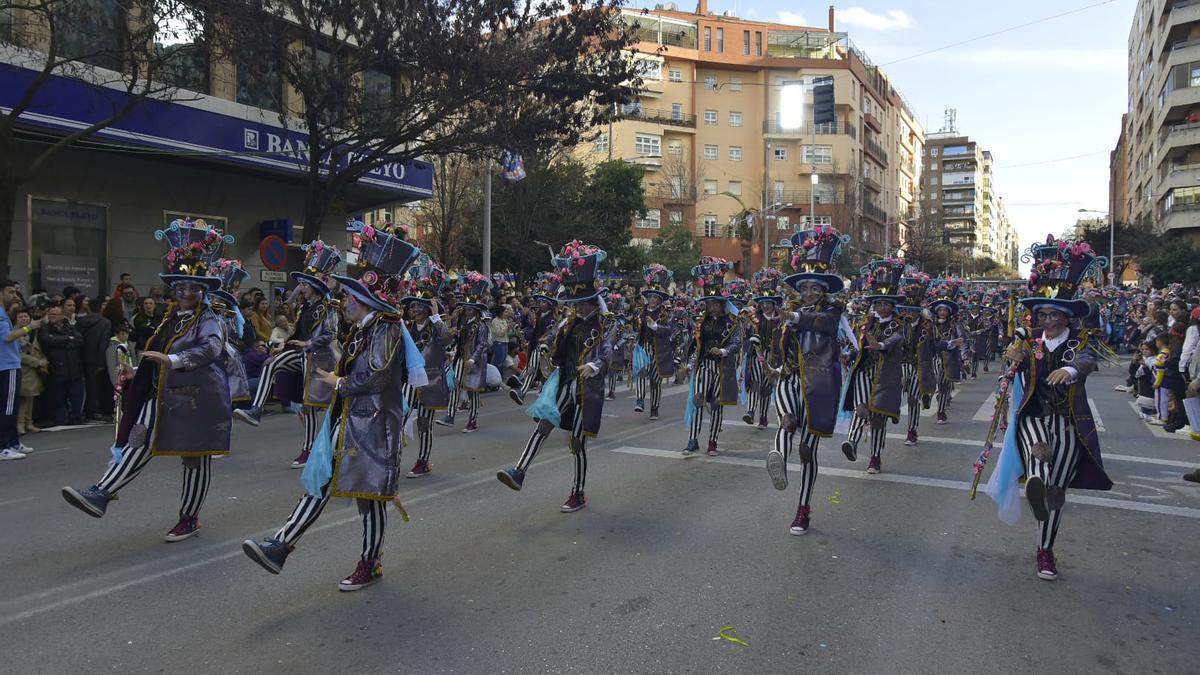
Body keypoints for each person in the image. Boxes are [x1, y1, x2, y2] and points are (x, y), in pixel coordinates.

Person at [241, 222, 426, 590]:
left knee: (369, 499)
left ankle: (369, 562)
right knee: (322, 482)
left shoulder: (386, 327)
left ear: (366, 299)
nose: (345, 301)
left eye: (351, 296)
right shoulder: (366, 327)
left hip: (373, 425)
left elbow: (377, 375)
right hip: (353, 420)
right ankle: (281, 544)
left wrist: (337, 382)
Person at [61, 219, 234, 542]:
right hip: (163, 394)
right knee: (139, 440)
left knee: (195, 459)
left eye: (192, 287)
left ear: (203, 290)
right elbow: (157, 353)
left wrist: (172, 360)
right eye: (180, 286)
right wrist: (138, 373)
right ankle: (101, 492)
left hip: (199, 399)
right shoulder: (170, 318)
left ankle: (189, 517)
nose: (185, 293)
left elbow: (211, 350)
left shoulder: (210, 319)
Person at [1003, 235, 1112, 580]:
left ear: (1066, 317)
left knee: (1055, 491)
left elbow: (1087, 360)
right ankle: (1034, 478)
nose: (1047, 319)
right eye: (1043, 313)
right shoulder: (1030, 341)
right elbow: (1015, 371)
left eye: (1054, 314)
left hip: (1066, 422)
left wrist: (1071, 369)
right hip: (1034, 417)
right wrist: (1014, 359)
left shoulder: (1079, 343)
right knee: (1039, 457)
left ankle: (1045, 550)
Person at [498, 241, 612, 512]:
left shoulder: (606, 323)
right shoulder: (569, 321)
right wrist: (548, 345)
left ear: (592, 301)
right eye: (575, 304)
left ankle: (578, 491)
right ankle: (519, 471)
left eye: (582, 303)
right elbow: (552, 337)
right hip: (564, 381)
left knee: (576, 442)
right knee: (544, 424)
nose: (579, 308)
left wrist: (594, 366)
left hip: (586, 389)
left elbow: (608, 351)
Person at [764, 227, 848, 535]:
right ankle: (779, 461)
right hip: (790, 380)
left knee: (808, 452)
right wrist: (773, 363)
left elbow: (825, 326)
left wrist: (795, 319)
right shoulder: (791, 311)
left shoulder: (833, 312)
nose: (810, 292)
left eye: (815, 287)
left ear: (824, 290)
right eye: (806, 287)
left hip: (820, 384)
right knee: (786, 420)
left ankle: (803, 508)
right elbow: (779, 344)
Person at [234, 241, 342, 471]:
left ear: (315, 286)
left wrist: (308, 342)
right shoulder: (306, 306)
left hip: (318, 359)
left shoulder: (327, 306)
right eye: (301, 284)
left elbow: (330, 333)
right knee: (271, 363)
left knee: (309, 406)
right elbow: (297, 331)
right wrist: (289, 348)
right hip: (302, 354)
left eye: (305, 284)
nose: (301, 288)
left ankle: (311, 448)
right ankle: (257, 410)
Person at [840, 258, 907, 475]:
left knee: (878, 419)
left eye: (887, 303)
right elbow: (858, 346)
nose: (883, 307)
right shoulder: (866, 323)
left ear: (892, 305)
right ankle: (851, 442)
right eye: (880, 303)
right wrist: (848, 354)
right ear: (875, 304)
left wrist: (880, 345)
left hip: (886, 376)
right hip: (863, 372)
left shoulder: (899, 324)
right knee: (861, 409)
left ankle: (875, 457)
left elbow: (895, 340)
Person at [682, 258, 743, 457]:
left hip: (723, 368)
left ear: (723, 303)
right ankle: (692, 440)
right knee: (698, 400)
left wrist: (724, 351)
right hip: (705, 365)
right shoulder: (701, 322)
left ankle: (713, 442)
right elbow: (696, 345)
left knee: (716, 404)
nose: (713, 307)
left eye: (716, 303)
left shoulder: (732, 323)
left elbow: (736, 343)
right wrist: (690, 364)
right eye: (709, 303)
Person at [400, 258, 451, 478]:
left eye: (420, 305)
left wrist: (436, 314)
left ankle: (423, 460)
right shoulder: (408, 327)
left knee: (424, 422)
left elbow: (447, 339)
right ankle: (391, 458)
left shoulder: (436, 325)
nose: (415, 309)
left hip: (430, 381)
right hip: (410, 379)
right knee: (399, 415)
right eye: (412, 306)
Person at [439, 273, 490, 432]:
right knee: (454, 385)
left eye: (471, 308)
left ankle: (473, 420)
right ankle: (450, 415)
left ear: (476, 311)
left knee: (472, 391)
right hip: (461, 359)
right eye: (466, 307)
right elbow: (459, 341)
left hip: (474, 361)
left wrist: (474, 360)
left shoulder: (481, 326)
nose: (467, 309)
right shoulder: (462, 323)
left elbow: (481, 344)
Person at [1, 282, 45, 459]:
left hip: (9, 363)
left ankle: (13, 442)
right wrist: (30, 327)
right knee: (8, 407)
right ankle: (4, 446)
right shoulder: (1, 315)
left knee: (9, 406)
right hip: (8, 365)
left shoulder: (4, 313)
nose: (14, 295)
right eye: (10, 291)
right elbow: (7, 337)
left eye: (15, 291)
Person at [633, 264, 679, 420]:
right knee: (640, 372)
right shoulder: (641, 310)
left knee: (655, 381)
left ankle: (654, 408)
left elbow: (670, 330)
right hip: (643, 347)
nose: (651, 299)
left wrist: (655, 326)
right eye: (650, 296)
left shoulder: (666, 313)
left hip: (659, 350)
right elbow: (635, 328)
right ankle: (640, 400)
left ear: (660, 299)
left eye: (654, 297)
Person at [506, 273, 558, 406]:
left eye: (544, 301)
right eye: (540, 301)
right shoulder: (540, 315)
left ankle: (522, 384)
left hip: (546, 349)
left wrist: (543, 341)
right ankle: (523, 389)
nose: (541, 303)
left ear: (550, 304)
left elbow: (551, 334)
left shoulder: (552, 318)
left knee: (535, 370)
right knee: (533, 369)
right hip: (536, 346)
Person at [39, 304, 85, 427]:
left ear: (61, 316)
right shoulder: (45, 328)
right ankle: (60, 419)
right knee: (58, 397)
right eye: (50, 314)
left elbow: (79, 340)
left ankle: (75, 418)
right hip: (56, 368)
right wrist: (67, 339)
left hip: (74, 368)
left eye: (55, 314)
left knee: (76, 396)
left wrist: (60, 340)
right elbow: (47, 340)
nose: (52, 317)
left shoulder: (69, 327)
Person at [76, 297, 113, 422]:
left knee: (81, 385)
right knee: (93, 386)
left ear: (88, 307)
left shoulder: (80, 321)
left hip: (80, 356)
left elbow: (77, 338)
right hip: (96, 357)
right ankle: (91, 411)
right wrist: (101, 362)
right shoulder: (105, 322)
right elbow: (103, 343)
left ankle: (80, 411)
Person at [17, 308, 47, 436]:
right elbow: (19, 355)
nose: (24, 319)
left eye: (26, 316)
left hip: (34, 371)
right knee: (23, 398)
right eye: (21, 317)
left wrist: (43, 360)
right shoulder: (15, 333)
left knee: (31, 398)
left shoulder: (33, 332)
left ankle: (29, 422)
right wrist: (37, 362)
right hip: (23, 369)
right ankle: (20, 424)